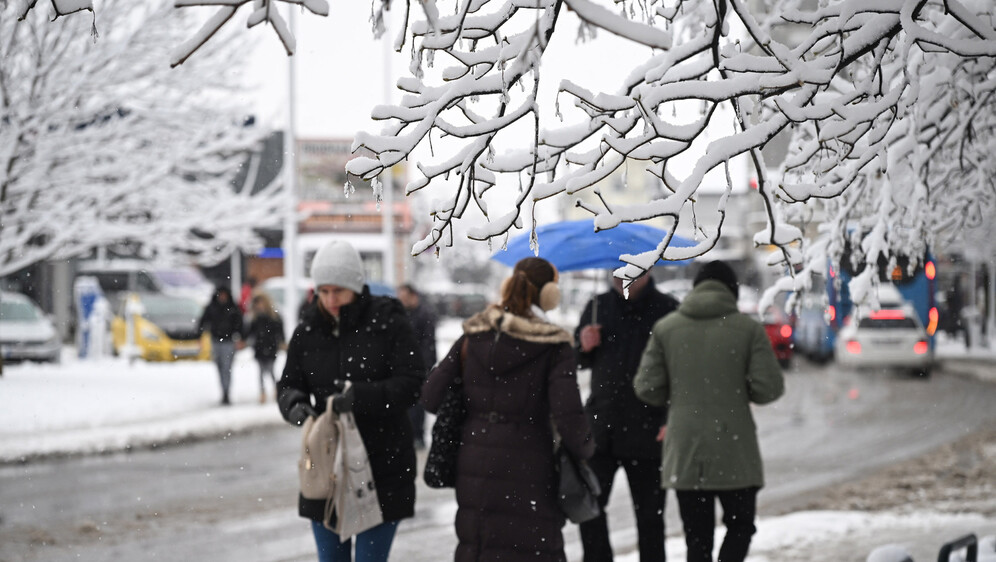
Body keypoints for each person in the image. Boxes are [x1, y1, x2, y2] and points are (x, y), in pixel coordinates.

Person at [420, 257, 595, 562]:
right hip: (531, 465)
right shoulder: (553, 345)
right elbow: (568, 418)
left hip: (474, 463)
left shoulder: (473, 335)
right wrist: (587, 447)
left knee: (479, 547)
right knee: (532, 550)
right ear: (549, 294)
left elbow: (431, 396)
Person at [276, 240, 423, 562]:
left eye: (338, 291)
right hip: (326, 464)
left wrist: (360, 396)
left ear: (355, 286)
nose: (330, 300)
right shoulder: (307, 330)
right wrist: (294, 405)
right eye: (323, 291)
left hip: (382, 465)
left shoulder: (389, 323)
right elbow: (288, 385)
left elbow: (412, 384)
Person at [634, 261, 785, 562]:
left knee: (697, 538)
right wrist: (737, 387)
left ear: (695, 289)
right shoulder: (748, 329)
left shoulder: (667, 328)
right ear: (732, 290)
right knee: (740, 526)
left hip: (686, 449)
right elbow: (769, 388)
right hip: (735, 449)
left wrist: (677, 393)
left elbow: (646, 387)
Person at [575, 273, 679, 562]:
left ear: (647, 270)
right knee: (590, 509)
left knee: (650, 518)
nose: (621, 276)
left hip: (649, 429)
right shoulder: (598, 306)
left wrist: (669, 417)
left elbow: (681, 371)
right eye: (617, 269)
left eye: (631, 269)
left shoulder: (667, 309)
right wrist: (582, 345)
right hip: (602, 428)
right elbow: (577, 360)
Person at [398, 284, 437, 449]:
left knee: (417, 403)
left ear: (413, 296)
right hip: (403, 366)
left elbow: (429, 343)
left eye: (405, 297)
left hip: (419, 366)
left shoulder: (424, 314)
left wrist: (424, 366)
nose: (402, 301)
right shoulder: (401, 314)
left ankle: (418, 435)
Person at [197, 286, 244, 406]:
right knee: (219, 366)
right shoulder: (212, 307)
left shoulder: (232, 308)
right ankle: (224, 390)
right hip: (216, 341)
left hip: (228, 342)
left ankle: (226, 392)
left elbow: (239, 324)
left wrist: (240, 338)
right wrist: (199, 336)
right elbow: (203, 321)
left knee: (226, 368)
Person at [244, 292, 285, 404]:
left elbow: (280, 331)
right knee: (261, 372)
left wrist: (281, 342)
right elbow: (249, 332)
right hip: (259, 348)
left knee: (271, 370)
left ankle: (276, 389)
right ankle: (262, 392)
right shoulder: (254, 318)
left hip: (271, 348)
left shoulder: (274, 317)